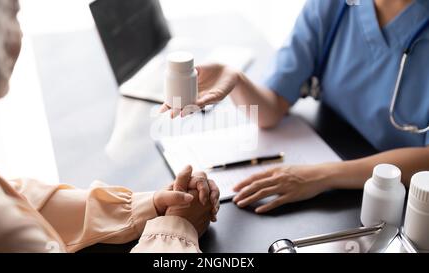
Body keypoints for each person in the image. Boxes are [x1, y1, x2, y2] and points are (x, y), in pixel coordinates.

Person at [0, 0, 219, 253]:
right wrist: (176, 229)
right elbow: (8, 221)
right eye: (15, 15)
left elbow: (18, 197)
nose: (20, 35)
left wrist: (149, 206)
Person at [162, 0, 429, 213]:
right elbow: (271, 109)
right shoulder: (333, 7)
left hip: (408, 200)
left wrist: (323, 175)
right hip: (339, 161)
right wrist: (237, 80)